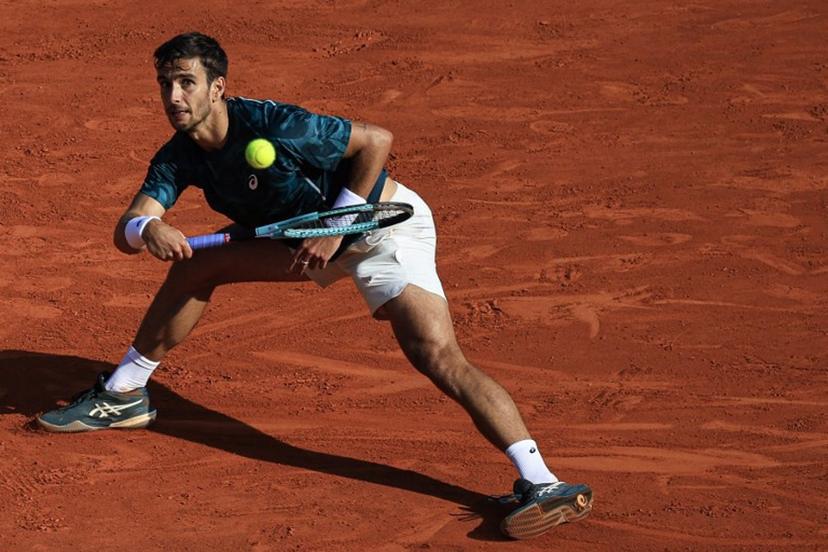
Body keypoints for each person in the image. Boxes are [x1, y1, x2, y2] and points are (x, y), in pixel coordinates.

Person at [36, 32, 592, 539]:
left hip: (379, 225)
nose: (174, 97)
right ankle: (125, 393)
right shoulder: (179, 156)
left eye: (186, 82)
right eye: (165, 84)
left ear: (217, 87)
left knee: (436, 355)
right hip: (298, 242)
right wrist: (148, 228)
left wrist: (338, 224)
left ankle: (541, 481)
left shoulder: (277, 125)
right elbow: (125, 228)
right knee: (195, 267)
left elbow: (376, 141)